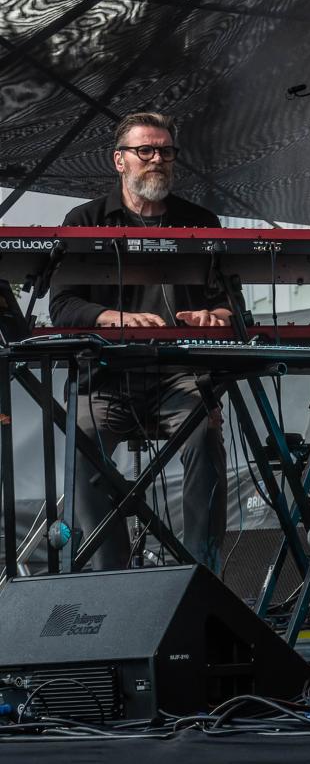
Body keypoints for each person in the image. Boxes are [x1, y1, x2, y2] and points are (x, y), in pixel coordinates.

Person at [50, 112, 230, 570]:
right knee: (80, 442)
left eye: (165, 151)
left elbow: (231, 305)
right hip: (105, 377)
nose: (157, 159)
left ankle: (201, 572)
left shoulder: (200, 221)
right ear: (119, 160)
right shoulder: (85, 220)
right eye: (145, 150)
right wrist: (118, 319)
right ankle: (110, 573)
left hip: (179, 376)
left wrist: (215, 316)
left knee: (205, 436)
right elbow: (63, 306)